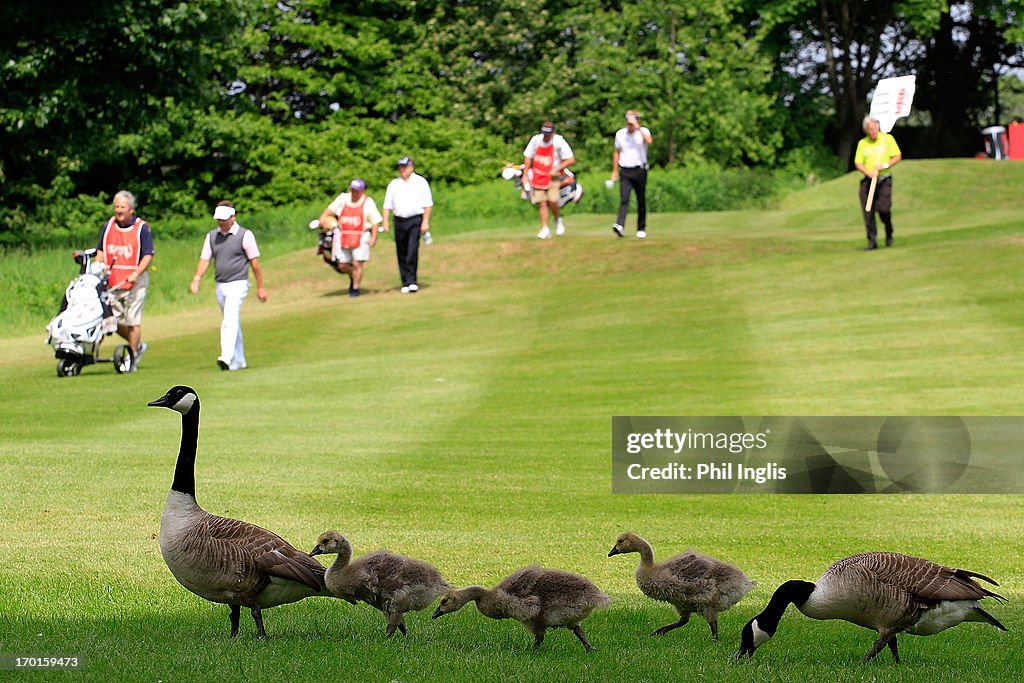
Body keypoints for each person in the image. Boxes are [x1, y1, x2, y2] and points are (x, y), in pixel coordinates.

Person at [190, 201, 267, 371]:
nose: (222, 223)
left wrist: (260, 287)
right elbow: (205, 259)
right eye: (219, 220)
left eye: (224, 219)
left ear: (233, 217)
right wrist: (197, 278)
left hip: (238, 282)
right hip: (221, 284)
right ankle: (239, 361)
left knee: (229, 319)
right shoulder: (212, 236)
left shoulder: (245, 235)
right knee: (232, 321)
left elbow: (255, 263)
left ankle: (226, 356)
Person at [95, 189, 154, 369]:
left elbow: (148, 255)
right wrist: (97, 268)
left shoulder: (141, 228)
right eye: (116, 206)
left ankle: (133, 358)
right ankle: (138, 345)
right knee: (111, 322)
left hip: (135, 282)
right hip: (113, 282)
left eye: (122, 207)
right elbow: (101, 251)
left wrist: (137, 272)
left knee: (132, 320)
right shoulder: (108, 226)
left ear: (131, 209)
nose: (119, 210)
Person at [319, 179, 382, 297]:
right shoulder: (343, 199)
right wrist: (323, 219)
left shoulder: (368, 202)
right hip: (344, 235)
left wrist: (374, 237)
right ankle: (354, 275)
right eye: (352, 189)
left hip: (361, 235)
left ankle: (355, 288)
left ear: (362, 191)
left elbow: (375, 221)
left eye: (357, 190)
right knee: (342, 264)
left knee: (357, 263)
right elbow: (329, 211)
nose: (354, 192)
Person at [382, 156, 433, 293]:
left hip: (415, 219)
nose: (402, 170)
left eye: (404, 167)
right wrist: (385, 221)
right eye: (400, 167)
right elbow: (387, 205)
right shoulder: (394, 184)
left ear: (411, 167)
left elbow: (428, 204)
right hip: (399, 221)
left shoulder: (420, 182)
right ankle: (405, 281)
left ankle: (412, 280)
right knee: (401, 251)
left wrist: (425, 221)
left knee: (412, 250)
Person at [854, 116, 902, 250]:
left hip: (884, 179)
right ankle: (872, 241)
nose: (873, 131)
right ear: (866, 131)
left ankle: (889, 230)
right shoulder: (862, 143)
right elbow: (858, 163)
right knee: (868, 211)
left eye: (875, 128)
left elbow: (897, 156)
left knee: (883, 209)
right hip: (868, 181)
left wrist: (885, 165)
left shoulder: (887, 139)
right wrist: (869, 173)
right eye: (870, 129)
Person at [522, 121, 575, 239]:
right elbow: (528, 157)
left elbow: (570, 159)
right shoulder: (536, 140)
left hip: (553, 176)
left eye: (548, 134)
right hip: (538, 176)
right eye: (544, 133)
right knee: (542, 202)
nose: (546, 136)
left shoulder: (558, 141)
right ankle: (545, 228)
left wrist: (557, 168)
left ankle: (557, 219)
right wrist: (525, 175)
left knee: (552, 199)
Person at [610, 109, 653, 239]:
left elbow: (649, 141)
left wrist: (637, 128)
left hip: (640, 170)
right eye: (628, 122)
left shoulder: (643, 131)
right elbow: (616, 152)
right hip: (625, 170)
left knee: (641, 199)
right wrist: (614, 171)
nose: (629, 125)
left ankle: (641, 228)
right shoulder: (620, 134)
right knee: (624, 199)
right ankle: (620, 225)